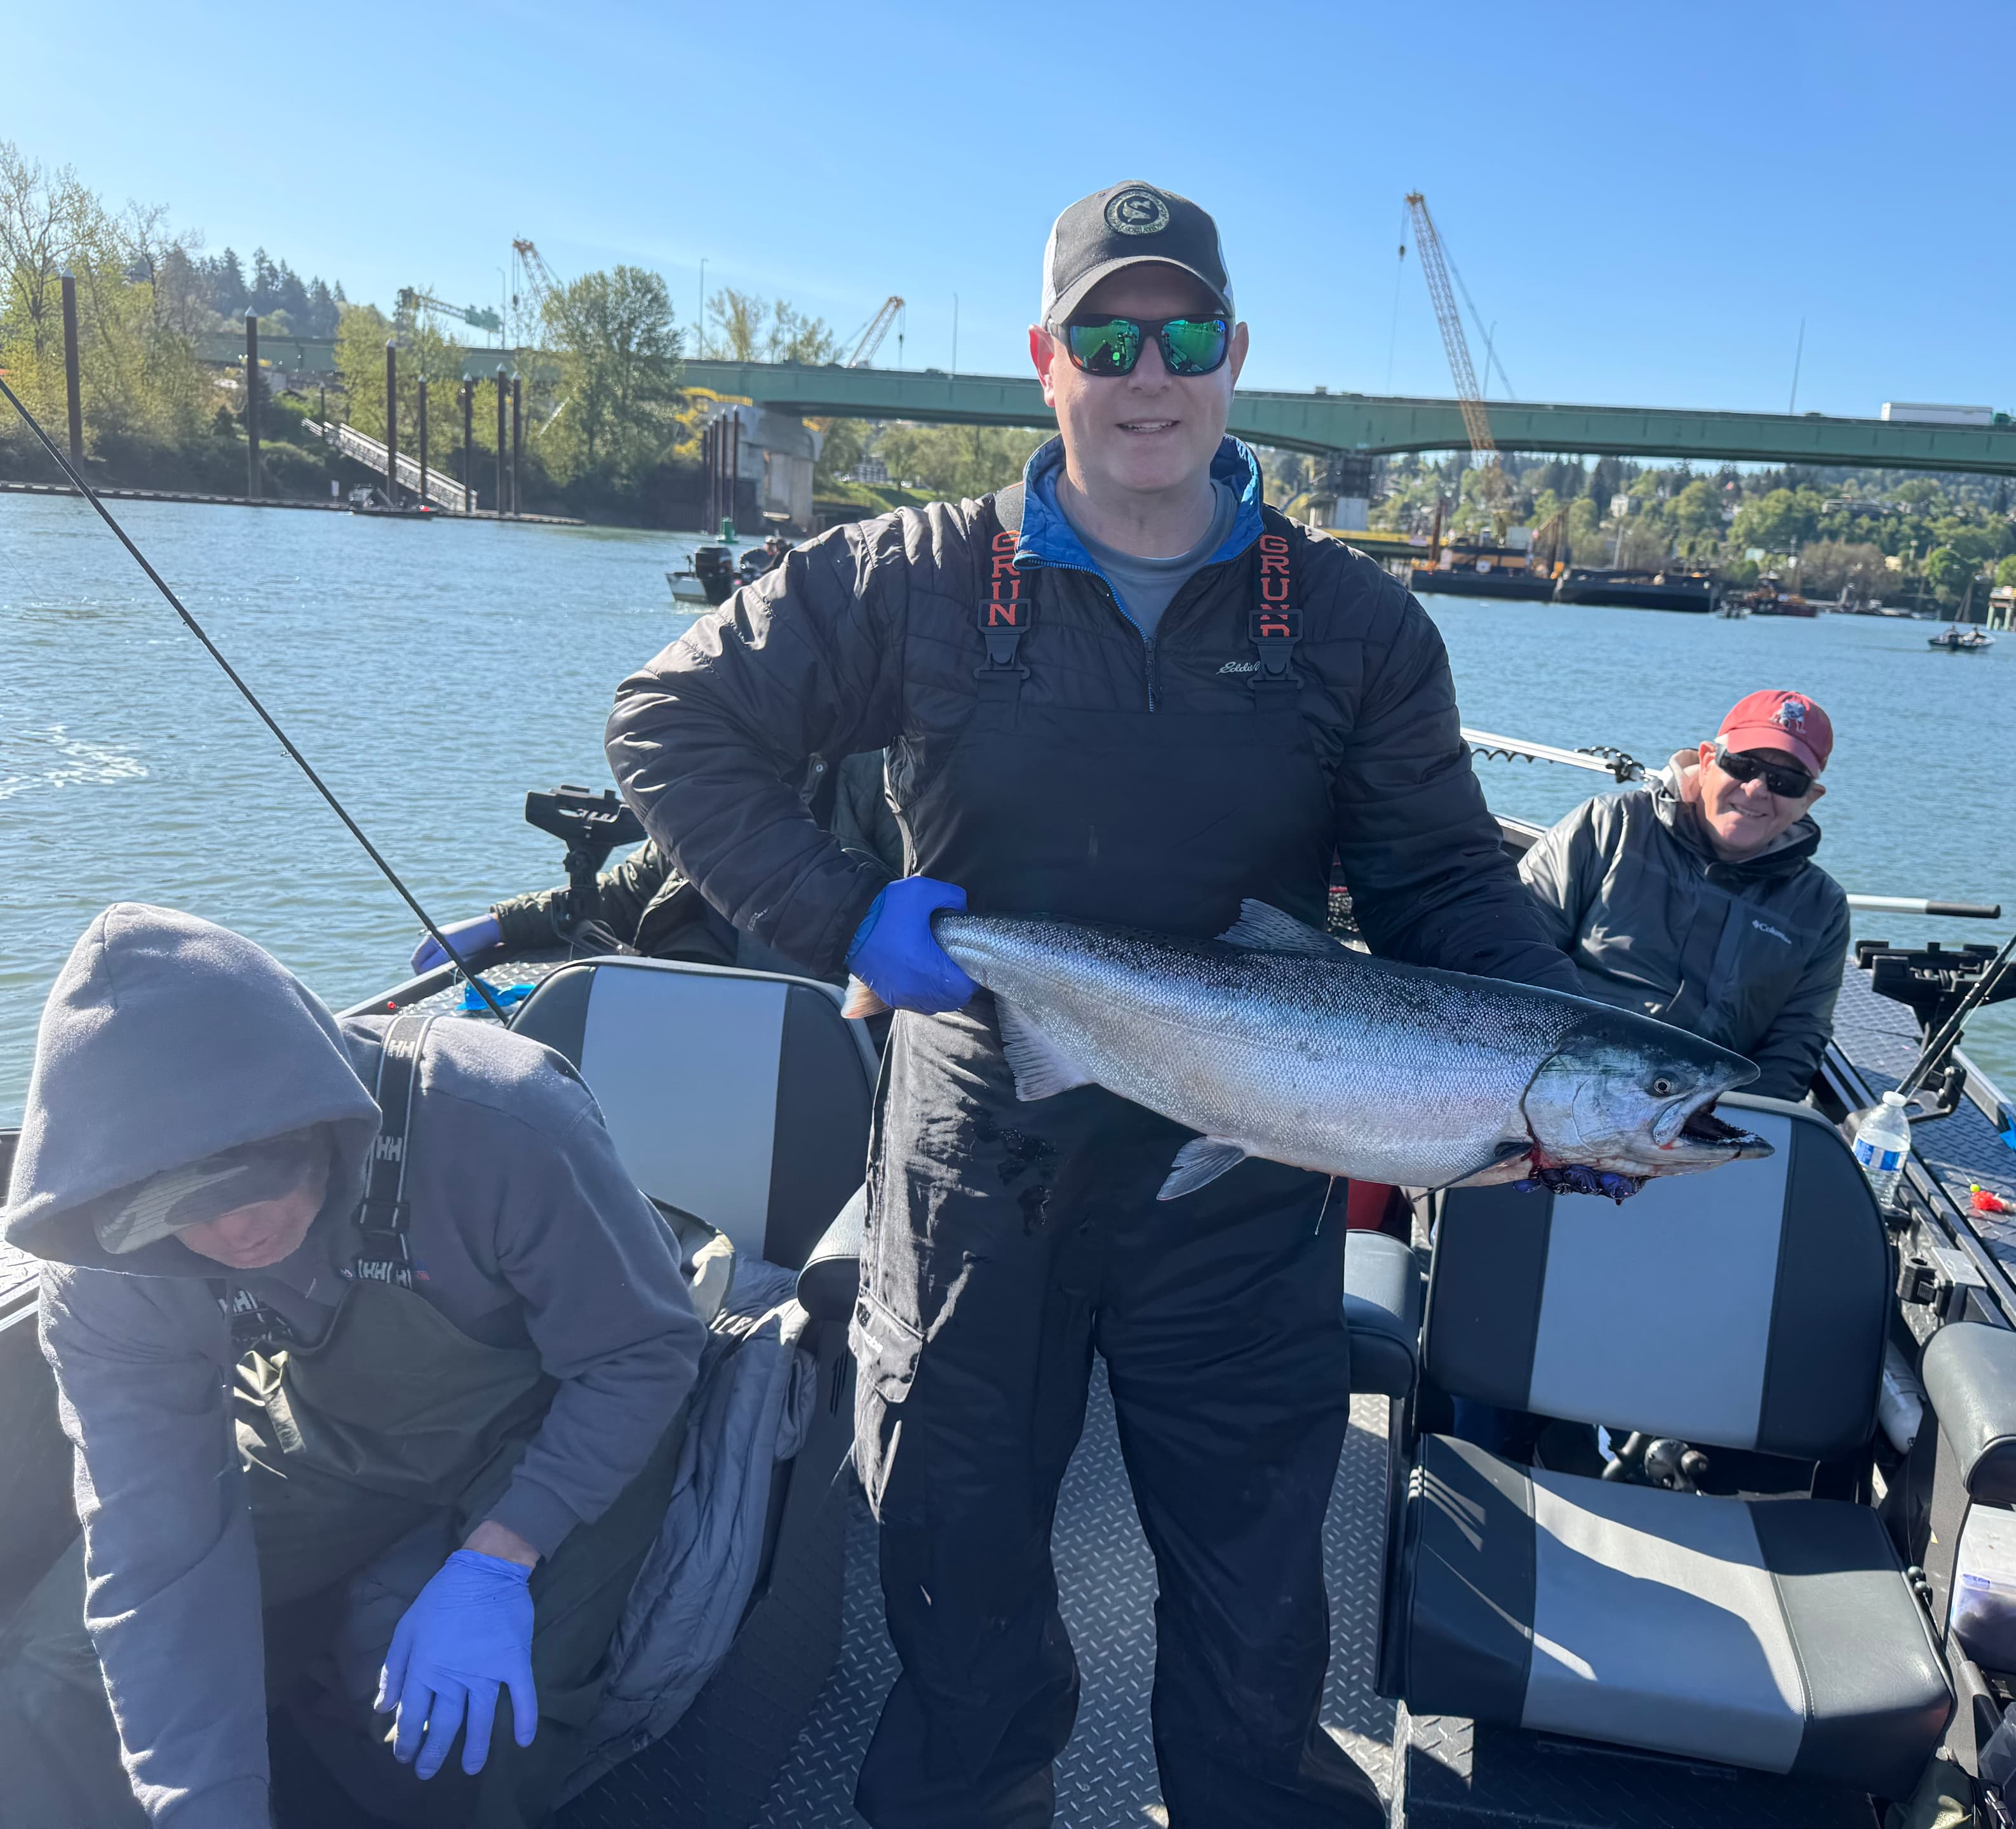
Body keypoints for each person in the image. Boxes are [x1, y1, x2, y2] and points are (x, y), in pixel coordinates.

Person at [602, 180, 1579, 1828]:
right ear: (1047, 359)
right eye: (1110, 336)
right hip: (980, 1173)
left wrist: (1567, 1065)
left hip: (1243, 1177)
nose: (1150, 373)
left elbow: (1447, 895)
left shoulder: (1353, 624)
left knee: (1260, 1602)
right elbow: (667, 722)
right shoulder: (911, 579)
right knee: (957, 1569)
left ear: (1235, 357)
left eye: (1184, 334)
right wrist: (842, 913)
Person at [0, 904, 706, 1828]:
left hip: (558, 1414)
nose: (235, 1232)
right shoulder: (111, 1264)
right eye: (180, 1214)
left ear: (319, 1121)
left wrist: (501, 1553)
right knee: (61, 1671)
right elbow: (151, 1539)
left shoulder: (502, 1117)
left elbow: (642, 1354)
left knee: (476, 1718)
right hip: (326, 1423)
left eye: (250, 1185)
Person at [1519, 688, 1849, 1102]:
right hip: (1556, 1083)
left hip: (1694, 1115)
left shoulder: (1822, 908)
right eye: (1743, 765)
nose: (1756, 789)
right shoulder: (1608, 826)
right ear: (1709, 761)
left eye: (1785, 781)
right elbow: (1517, 954)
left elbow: (1795, 1045)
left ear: (1809, 800)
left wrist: (1734, 1127)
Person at [408, 752, 903, 976]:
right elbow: (626, 893)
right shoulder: (715, 777)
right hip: (678, 1017)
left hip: (822, 1043)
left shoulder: (877, 777)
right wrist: (501, 923)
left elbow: (918, 933)